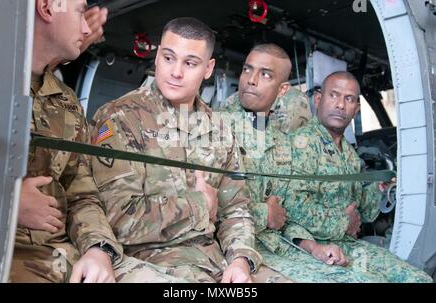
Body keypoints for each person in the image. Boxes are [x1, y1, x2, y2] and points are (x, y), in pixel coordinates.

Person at [90, 17, 291, 283]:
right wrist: (199, 205)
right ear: (158, 55)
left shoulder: (219, 129)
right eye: (169, 58)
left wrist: (240, 259)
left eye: (190, 63)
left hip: (214, 260)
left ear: (208, 69)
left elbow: (236, 210)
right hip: (149, 263)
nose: (176, 72)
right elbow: (117, 220)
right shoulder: (120, 118)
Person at [12, 0, 182, 283]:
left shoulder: (66, 103)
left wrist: (98, 249)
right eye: (80, 12)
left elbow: (81, 193)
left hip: (64, 254)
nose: (86, 27)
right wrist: (7, 201)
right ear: (46, 8)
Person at [221, 44, 379, 282]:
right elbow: (212, 208)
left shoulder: (278, 142)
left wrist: (312, 247)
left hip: (280, 245)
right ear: (318, 99)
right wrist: (266, 214)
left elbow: (284, 217)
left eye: (265, 74)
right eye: (247, 70)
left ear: (282, 89)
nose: (251, 80)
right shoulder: (216, 130)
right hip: (237, 249)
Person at [265, 71, 432, 282]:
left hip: (348, 245)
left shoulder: (350, 155)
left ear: (356, 109)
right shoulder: (300, 145)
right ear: (318, 100)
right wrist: (345, 221)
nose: (340, 105)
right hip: (309, 246)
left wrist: (379, 188)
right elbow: (291, 209)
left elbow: (364, 212)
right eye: (333, 95)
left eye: (349, 99)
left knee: (418, 278)